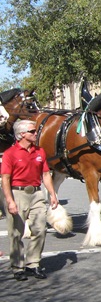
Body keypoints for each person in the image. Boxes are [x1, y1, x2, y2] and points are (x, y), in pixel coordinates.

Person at [2, 119, 59, 281]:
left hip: (36, 193)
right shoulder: (10, 153)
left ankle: (33, 263)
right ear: (21, 134)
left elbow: (45, 174)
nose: (36, 133)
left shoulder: (40, 151)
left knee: (40, 229)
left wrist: (52, 194)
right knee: (16, 233)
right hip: (17, 193)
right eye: (32, 131)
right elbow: (5, 178)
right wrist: (10, 201)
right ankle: (18, 266)